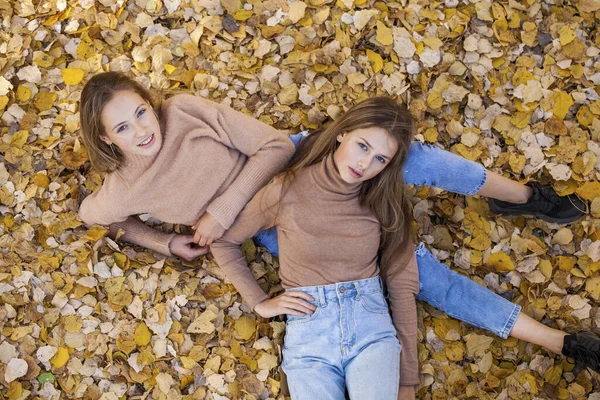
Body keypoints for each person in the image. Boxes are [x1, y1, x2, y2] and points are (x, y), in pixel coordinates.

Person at [77, 72, 599, 387]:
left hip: (305, 157)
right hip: (278, 222)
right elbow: (94, 217)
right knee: (414, 274)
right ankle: (562, 342)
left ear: (151, 100)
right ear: (105, 139)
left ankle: (526, 198)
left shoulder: (185, 111)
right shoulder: (123, 189)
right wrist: (166, 241)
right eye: (123, 127)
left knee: (412, 157)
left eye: (142, 112)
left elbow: (276, 147)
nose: (143, 129)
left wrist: (220, 209)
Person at [211, 97, 419, 398]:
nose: (365, 163)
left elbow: (402, 283)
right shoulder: (286, 188)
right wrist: (259, 302)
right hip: (310, 333)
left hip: (370, 329)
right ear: (342, 133)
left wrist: (407, 380)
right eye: (363, 146)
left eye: (380, 159)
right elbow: (223, 240)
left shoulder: (384, 201)